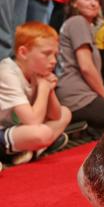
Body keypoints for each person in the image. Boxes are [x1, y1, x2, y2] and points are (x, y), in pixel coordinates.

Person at [0, 22, 71, 166]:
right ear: (23, 53)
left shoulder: (36, 70)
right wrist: (44, 89)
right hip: (3, 131)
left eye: (55, 55)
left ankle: (31, 150)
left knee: (66, 113)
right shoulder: (7, 72)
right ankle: (35, 148)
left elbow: (56, 116)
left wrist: (49, 90)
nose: (53, 61)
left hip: (19, 129)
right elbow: (32, 121)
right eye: (46, 54)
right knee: (42, 133)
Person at [56, 0, 104, 134]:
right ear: (75, 2)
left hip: (80, 96)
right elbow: (86, 67)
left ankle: (91, 129)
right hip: (76, 98)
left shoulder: (83, 25)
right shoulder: (78, 22)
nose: (93, 3)